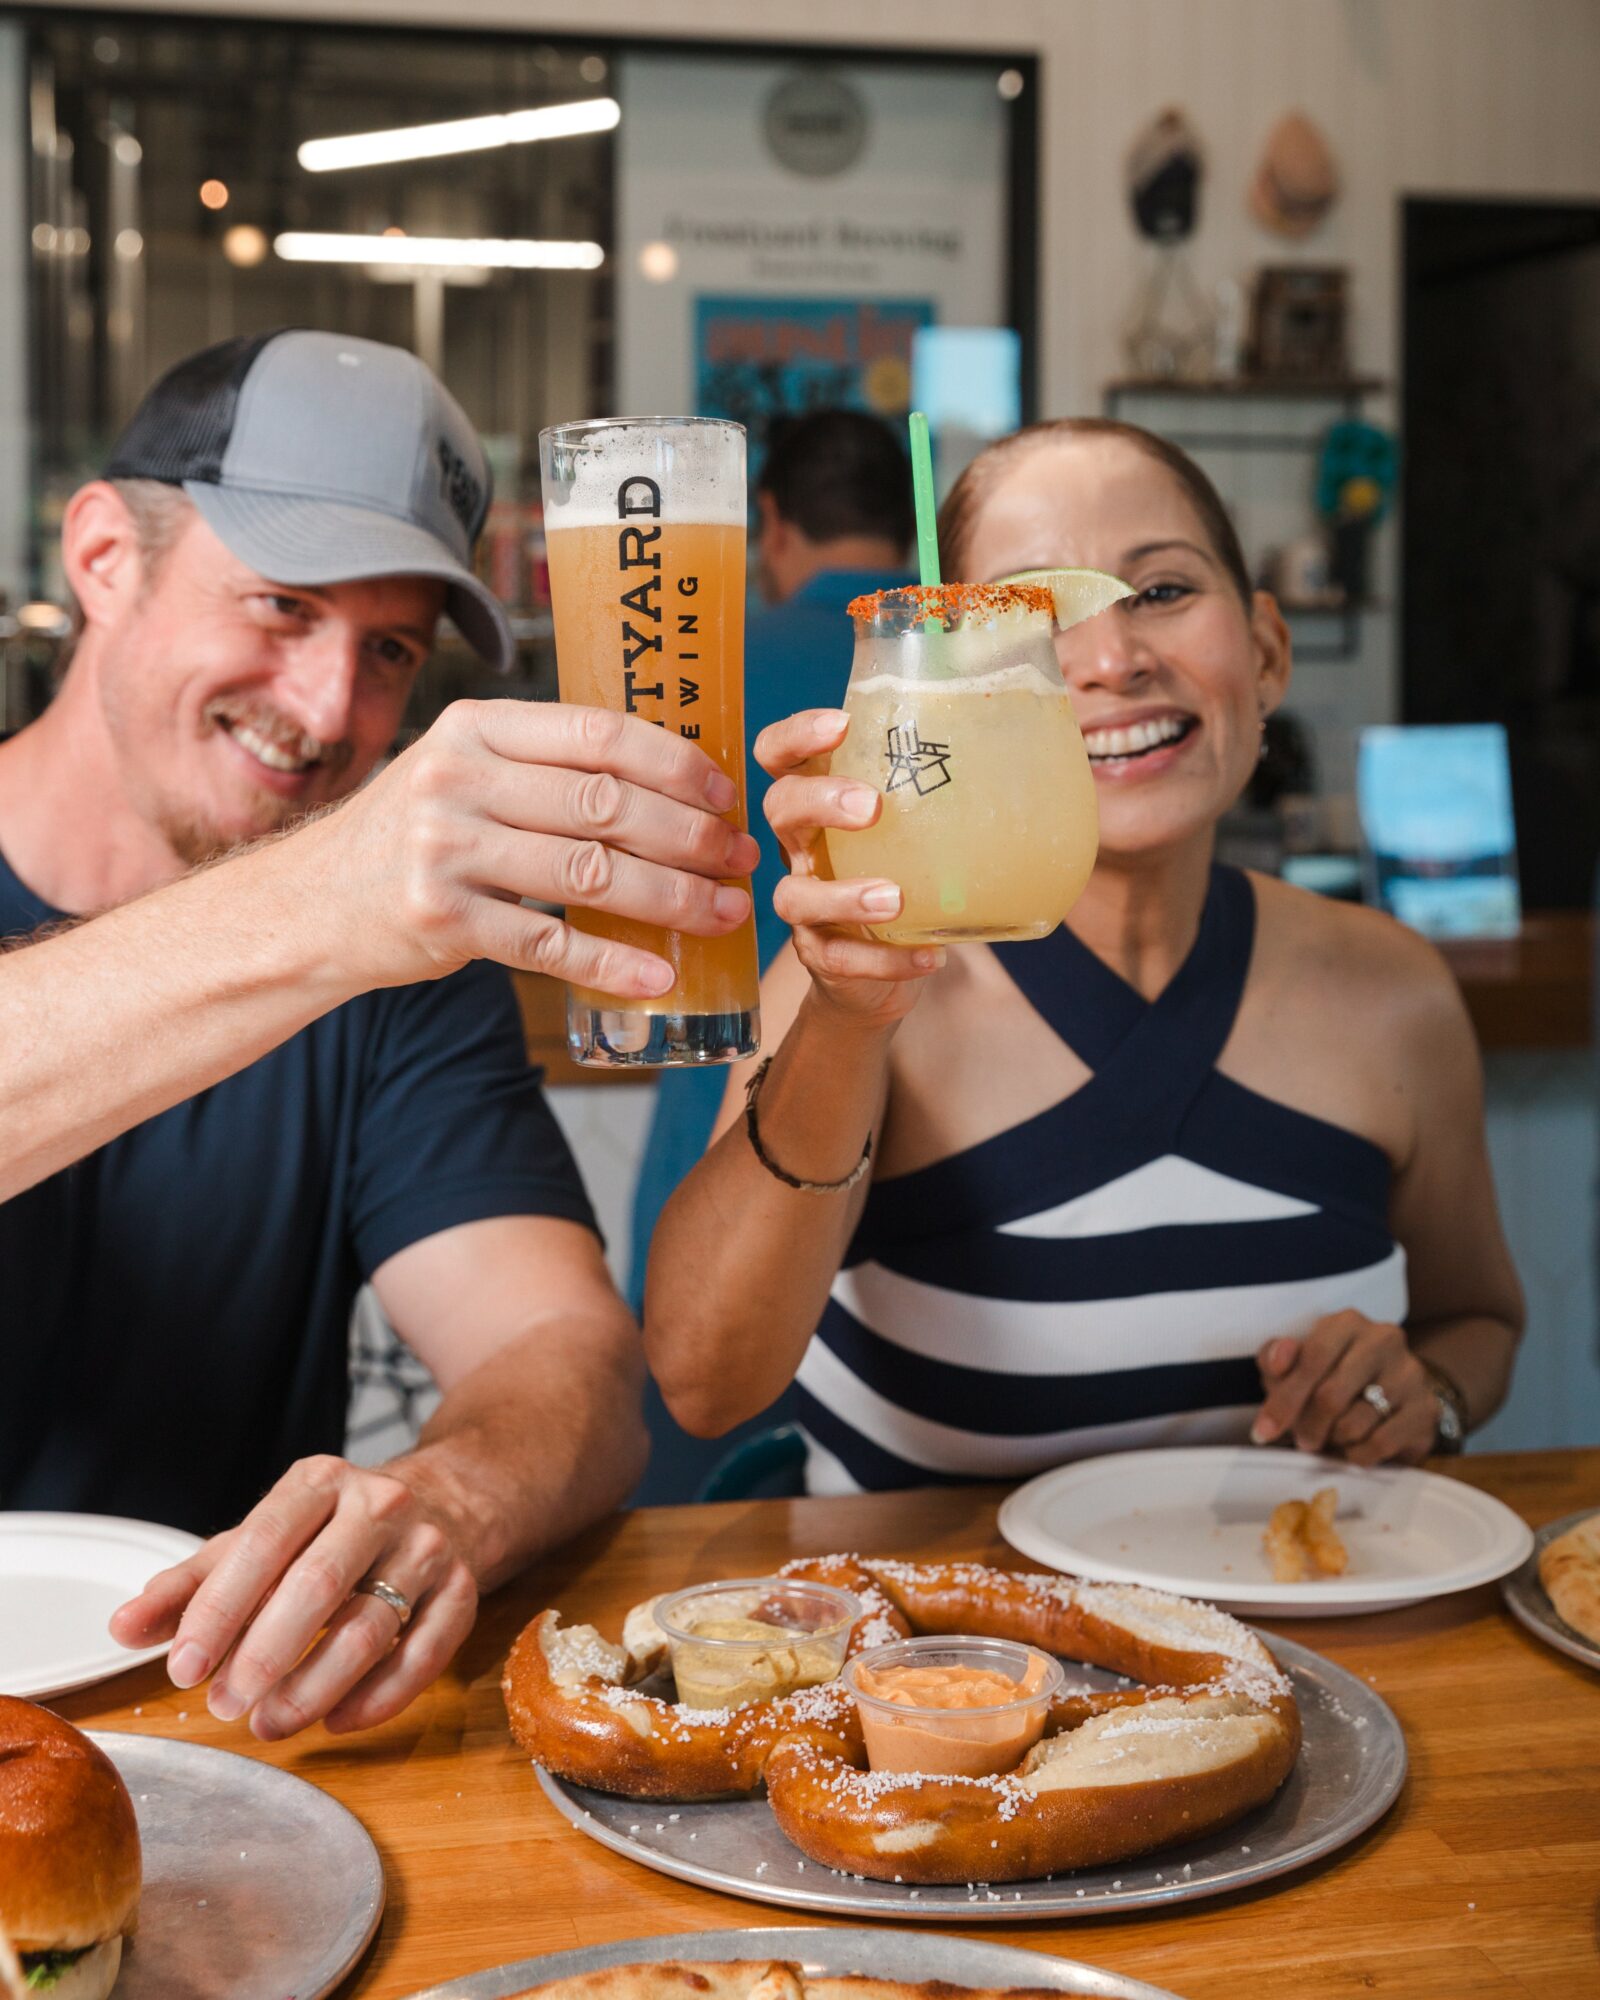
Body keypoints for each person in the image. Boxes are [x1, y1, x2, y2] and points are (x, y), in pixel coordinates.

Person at [0, 328, 757, 1739]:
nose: (329, 709)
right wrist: (320, 904)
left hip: (202, 1727)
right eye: (282, 605)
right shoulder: (346, 912)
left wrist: (447, 1503)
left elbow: (568, 1358)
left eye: (390, 647)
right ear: (104, 557)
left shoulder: (396, 959)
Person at [644, 417, 1524, 1491]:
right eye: (1033, 611)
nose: (1112, 658)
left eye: (1160, 590)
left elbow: (1475, 1320)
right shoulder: (861, 977)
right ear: (943, 679)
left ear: (1265, 651)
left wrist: (1419, 1391)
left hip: (1310, 1636)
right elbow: (702, 1381)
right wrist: (843, 1015)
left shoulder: (1396, 992)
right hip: (940, 1654)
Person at [626, 410, 913, 1338]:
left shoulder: (698, 664)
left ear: (774, 525)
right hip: (943, 1111)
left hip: (718, 1082)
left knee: (705, 1382)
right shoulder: (957, 664)